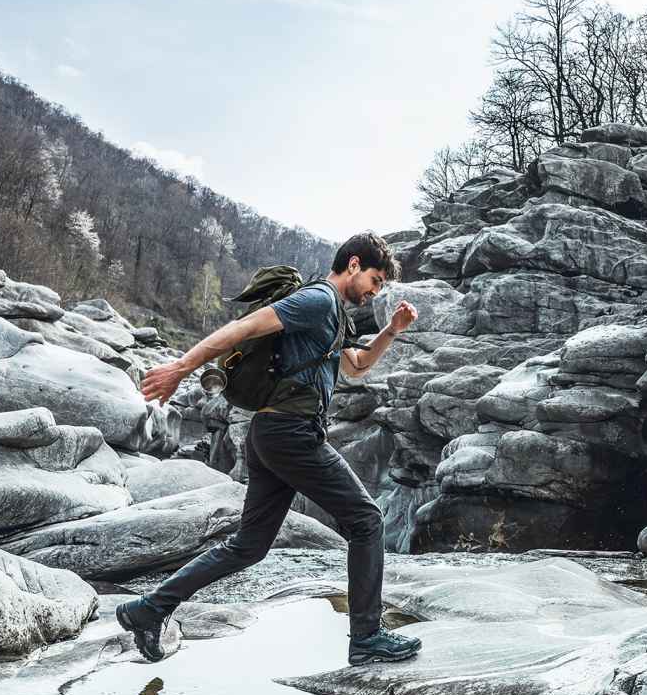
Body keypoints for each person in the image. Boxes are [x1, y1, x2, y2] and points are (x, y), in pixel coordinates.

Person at [116, 231, 422, 667]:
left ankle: (148, 609)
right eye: (374, 279)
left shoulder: (334, 318)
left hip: (271, 432)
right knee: (367, 520)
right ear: (353, 265)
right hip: (290, 433)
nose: (375, 291)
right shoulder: (317, 301)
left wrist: (391, 331)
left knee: (249, 545)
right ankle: (367, 637)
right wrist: (181, 367)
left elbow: (357, 366)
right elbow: (244, 327)